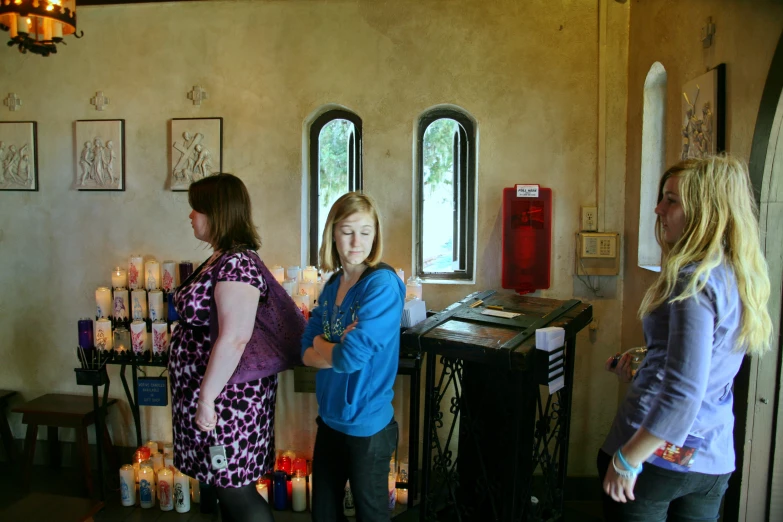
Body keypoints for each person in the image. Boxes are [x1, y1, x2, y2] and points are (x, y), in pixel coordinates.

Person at [599, 155, 773, 521]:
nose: (658, 208)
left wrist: (628, 458)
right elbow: (709, 361)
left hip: (654, 457)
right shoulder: (739, 274)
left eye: (671, 200)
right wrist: (652, 358)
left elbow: (683, 393)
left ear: (704, 210)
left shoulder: (693, 280)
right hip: (712, 459)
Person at [170, 173, 299, 522]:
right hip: (219, 396)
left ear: (218, 212)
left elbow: (235, 337)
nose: (191, 216)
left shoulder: (238, 265)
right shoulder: (221, 258)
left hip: (229, 402)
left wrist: (206, 398)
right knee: (226, 489)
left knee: (236, 491)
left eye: (196, 208)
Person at [302, 191, 406, 522]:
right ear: (333, 232)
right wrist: (327, 345)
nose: (356, 241)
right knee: (324, 515)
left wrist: (325, 347)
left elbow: (351, 359)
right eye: (347, 231)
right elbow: (304, 349)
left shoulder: (382, 285)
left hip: (368, 428)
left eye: (365, 231)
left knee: (371, 516)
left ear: (376, 235)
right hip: (330, 420)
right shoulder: (333, 284)